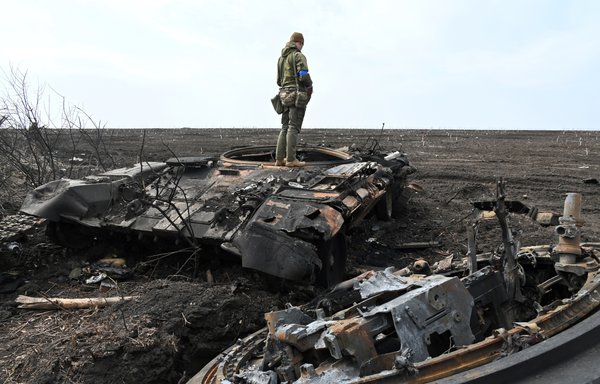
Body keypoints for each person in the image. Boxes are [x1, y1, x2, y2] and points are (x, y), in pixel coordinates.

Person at [275, 32, 313, 167]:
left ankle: (279, 159)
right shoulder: (298, 56)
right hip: (296, 94)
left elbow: (278, 81)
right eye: (301, 44)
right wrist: (310, 85)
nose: (301, 46)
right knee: (293, 126)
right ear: (299, 43)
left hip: (283, 94)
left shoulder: (281, 58)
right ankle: (291, 159)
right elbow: (303, 75)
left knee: (284, 126)